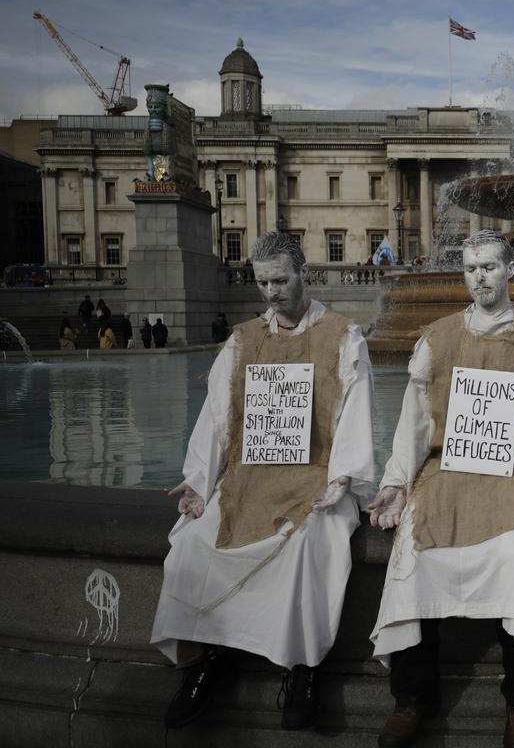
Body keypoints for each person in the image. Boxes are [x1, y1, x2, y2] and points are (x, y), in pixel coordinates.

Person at [151, 231, 375, 731]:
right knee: (191, 544)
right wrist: (197, 481)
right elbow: (218, 418)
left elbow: (356, 415)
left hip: (316, 476)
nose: (272, 291)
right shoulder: (242, 340)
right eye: (263, 282)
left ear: (304, 275)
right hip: (250, 477)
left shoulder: (344, 336)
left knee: (307, 547)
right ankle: (203, 661)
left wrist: (342, 477)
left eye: (281, 279)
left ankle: (302, 670)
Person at [369, 230, 514, 748]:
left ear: (511, 270)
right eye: (470, 268)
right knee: (414, 554)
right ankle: (413, 695)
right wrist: (397, 483)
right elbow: (414, 425)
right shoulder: (438, 337)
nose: (480, 277)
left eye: (489, 266)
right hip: (449, 473)